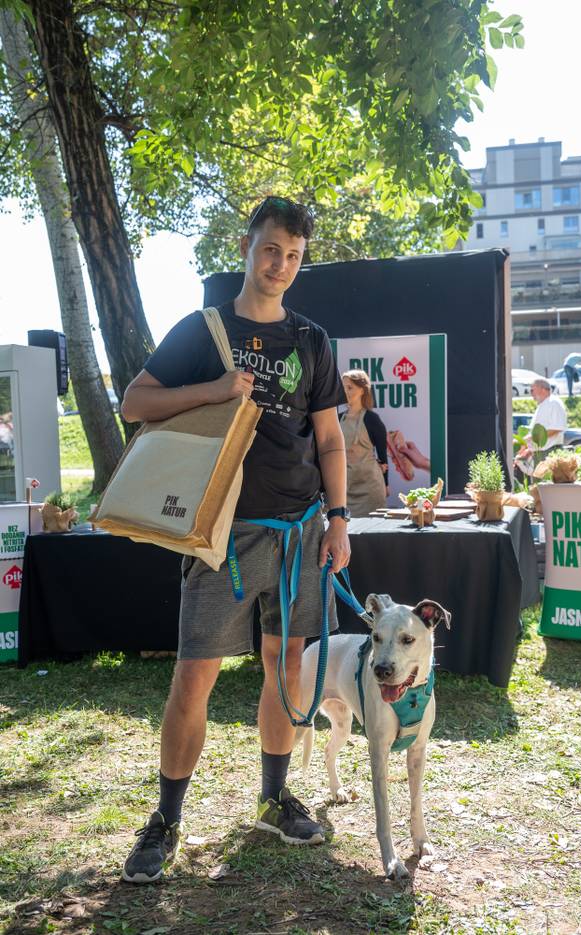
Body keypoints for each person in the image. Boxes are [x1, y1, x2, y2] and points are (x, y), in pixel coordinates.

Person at [120, 196, 350, 883]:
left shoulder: (311, 340)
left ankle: (274, 798)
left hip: (301, 530)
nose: (281, 265)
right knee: (195, 674)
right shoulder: (205, 330)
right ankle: (166, 818)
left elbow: (330, 439)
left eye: (294, 256)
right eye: (272, 249)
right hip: (222, 532)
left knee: (287, 667)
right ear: (246, 246)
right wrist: (214, 389)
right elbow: (135, 401)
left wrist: (339, 519)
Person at [340, 369, 388, 516]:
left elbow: (383, 457)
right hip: (343, 490)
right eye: (343, 388)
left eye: (350, 387)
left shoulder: (372, 419)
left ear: (362, 390)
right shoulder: (337, 419)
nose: (345, 392)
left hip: (370, 489)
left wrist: (386, 484)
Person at [514, 378, 567, 476]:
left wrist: (530, 438)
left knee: (545, 483)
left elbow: (557, 428)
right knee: (538, 483)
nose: (531, 393)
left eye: (532, 390)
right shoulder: (544, 404)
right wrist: (529, 449)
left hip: (549, 452)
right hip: (541, 453)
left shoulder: (554, 403)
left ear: (542, 389)